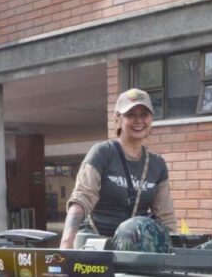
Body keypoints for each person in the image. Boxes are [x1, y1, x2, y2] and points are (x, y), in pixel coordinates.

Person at [60, 88, 176, 249]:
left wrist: (172, 251)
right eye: (131, 115)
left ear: (151, 119)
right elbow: (81, 199)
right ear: (118, 119)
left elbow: (166, 215)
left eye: (144, 114)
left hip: (135, 248)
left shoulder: (157, 164)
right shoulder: (102, 153)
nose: (138, 120)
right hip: (95, 245)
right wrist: (66, 246)